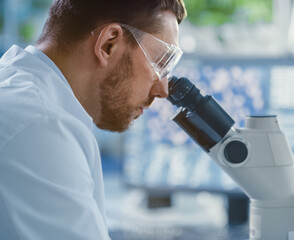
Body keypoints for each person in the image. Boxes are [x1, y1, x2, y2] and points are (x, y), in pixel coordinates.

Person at [0, 0, 186, 239]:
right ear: (109, 44)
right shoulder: (39, 126)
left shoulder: (18, 87)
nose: (163, 90)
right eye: (161, 63)